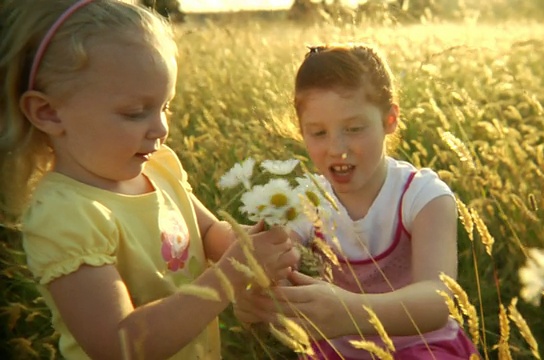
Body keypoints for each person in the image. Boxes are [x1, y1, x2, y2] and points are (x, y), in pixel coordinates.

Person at [0, 1, 299, 359]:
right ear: (48, 112)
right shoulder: (66, 216)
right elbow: (119, 344)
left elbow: (205, 234)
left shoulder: (158, 167)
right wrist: (231, 273)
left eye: (166, 106)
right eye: (135, 112)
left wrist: (250, 244)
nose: (161, 128)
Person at [233, 44, 480, 359]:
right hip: (337, 351)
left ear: (389, 119)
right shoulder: (306, 199)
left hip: (422, 348)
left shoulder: (423, 197)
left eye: (354, 129)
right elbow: (275, 257)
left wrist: (349, 312)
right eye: (318, 133)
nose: (337, 148)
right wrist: (259, 292)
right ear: (301, 131)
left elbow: (437, 301)